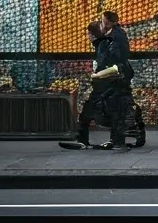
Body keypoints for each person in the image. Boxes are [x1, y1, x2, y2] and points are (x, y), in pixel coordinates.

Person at [60, 17, 143, 151]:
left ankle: (113, 142)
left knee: (110, 114)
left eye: (89, 34)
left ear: (93, 35)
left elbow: (116, 67)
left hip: (110, 87)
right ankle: (108, 141)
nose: (88, 37)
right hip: (105, 87)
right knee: (93, 113)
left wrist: (98, 75)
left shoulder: (105, 47)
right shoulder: (103, 45)